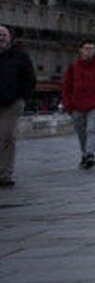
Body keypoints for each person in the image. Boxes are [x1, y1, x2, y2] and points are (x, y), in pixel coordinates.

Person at [61, 38, 95, 170]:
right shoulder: (73, 67)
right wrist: (69, 105)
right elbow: (66, 87)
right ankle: (85, 154)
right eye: (87, 48)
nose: (89, 51)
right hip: (77, 106)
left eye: (92, 49)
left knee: (91, 129)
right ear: (81, 50)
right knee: (81, 132)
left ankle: (90, 154)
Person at [0, 26, 37, 186]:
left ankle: (5, 174)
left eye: (3, 35)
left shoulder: (20, 57)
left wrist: (23, 97)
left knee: (7, 136)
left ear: (9, 38)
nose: (0, 38)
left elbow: (30, 79)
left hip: (12, 102)